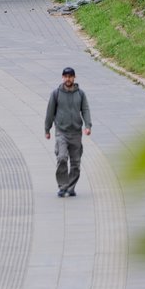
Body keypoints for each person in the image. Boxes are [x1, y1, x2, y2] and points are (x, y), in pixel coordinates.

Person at [44, 67, 92, 197]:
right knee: (62, 158)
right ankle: (62, 186)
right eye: (65, 76)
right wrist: (47, 129)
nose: (68, 79)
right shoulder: (56, 94)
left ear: (74, 78)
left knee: (75, 163)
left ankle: (70, 187)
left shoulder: (80, 94)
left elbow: (85, 110)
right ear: (62, 77)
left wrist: (88, 126)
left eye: (70, 76)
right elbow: (50, 112)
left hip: (76, 133)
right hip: (62, 132)